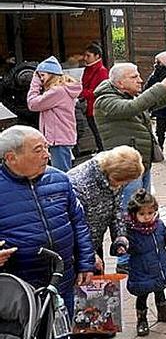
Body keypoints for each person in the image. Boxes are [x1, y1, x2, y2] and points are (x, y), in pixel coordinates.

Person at [94, 62, 166, 273]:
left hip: (141, 163)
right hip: (125, 168)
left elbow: (155, 102)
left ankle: (140, 254)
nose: (140, 80)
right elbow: (133, 107)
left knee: (141, 209)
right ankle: (124, 261)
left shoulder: (128, 96)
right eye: (134, 77)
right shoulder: (105, 101)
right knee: (126, 213)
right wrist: (162, 85)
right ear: (119, 81)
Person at [0, 126, 96, 314]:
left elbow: (79, 223)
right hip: (20, 291)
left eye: (46, 147)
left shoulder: (59, 179)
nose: (47, 155)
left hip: (64, 279)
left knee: (63, 328)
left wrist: (86, 262)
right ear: (11, 158)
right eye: (38, 150)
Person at [68, 146, 143, 274]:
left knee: (97, 287)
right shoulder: (79, 184)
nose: (123, 185)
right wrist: (88, 255)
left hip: (94, 242)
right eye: (122, 182)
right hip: (75, 251)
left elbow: (116, 208)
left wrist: (120, 237)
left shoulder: (112, 178)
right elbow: (71, 227)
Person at [118, 189, 166, 336]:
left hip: (160, 266)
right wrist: (121, 247)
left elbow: (165, 238)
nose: (147, 217)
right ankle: (142, 320)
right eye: (142, 214)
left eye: (150, 213)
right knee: (143, 295)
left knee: (160, 290)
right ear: (134, 214)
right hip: (142, 269)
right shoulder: (131, 230)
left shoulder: (159, 225)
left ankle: (163, 313)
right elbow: (123, 245)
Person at [26, 56, 82, 171]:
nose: (41, 79)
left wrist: (35, 82)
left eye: (43, 75)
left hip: (58, 139)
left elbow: (33, 104)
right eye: (39, 76)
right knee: (64, 171)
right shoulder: (63, 89)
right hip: (61, 137)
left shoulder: (57, 91)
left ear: (52, 74)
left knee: (62, 173)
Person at [144, 51, 166, 153]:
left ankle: (165, 149)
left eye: (157, 61)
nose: (155, 63)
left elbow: (148, 87)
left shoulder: (160, 73)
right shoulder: (157, 73)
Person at [81, 43, 109, 151]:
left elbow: (100, 90)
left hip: (96, 108)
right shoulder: (88, 69)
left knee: (100, 135)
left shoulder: (102, 71)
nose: (85, 58)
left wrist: (81, 92)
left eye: (88, 56)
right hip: (89, 107)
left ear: (97, 56)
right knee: (96, 135)